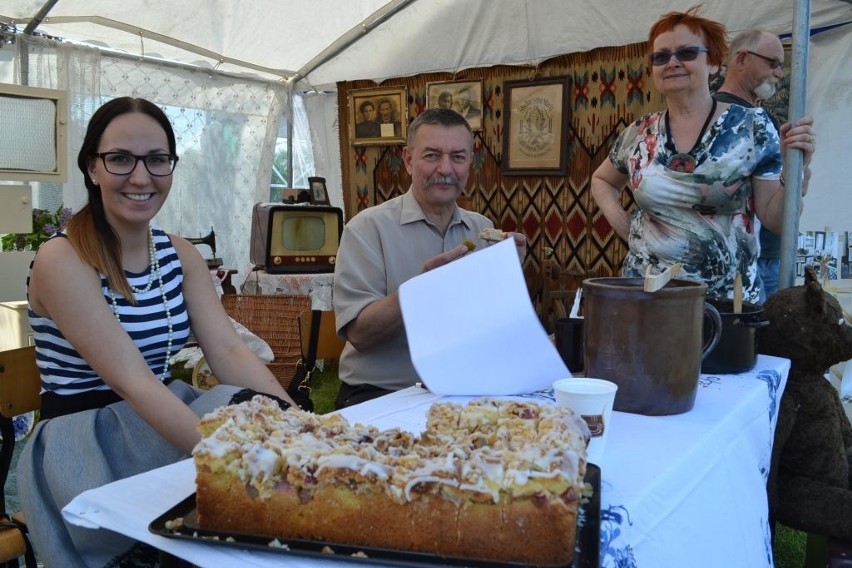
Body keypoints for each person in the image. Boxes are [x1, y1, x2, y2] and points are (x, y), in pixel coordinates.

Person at [18, 97, 295, 567]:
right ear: (92, 168)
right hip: (85, 443)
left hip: (156, 420)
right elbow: (132, 379)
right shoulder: (62, 259)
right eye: (121, 159)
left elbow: (227, 349)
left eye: (157, 159)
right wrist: (227, 459)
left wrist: (301, 426)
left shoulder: (180, 254)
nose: (142, 176)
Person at [590, 6, 807, 304]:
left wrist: (798, 174)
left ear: (714, 63)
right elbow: (602, 179)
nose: (673, 63)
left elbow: (775, 220)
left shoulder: (752, 127)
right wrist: (627, 228)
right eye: (661, 56)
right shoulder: (640, 133)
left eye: (687, 53)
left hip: (726, 305)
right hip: (647, 298)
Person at [332, 108, 527, 408]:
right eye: (432, 156)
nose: (446, 168)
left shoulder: (483, 230)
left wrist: (511, 276)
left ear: (469, 163)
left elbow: (494, 326)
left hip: (465, 392)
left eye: (458, 157)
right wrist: (418, 292)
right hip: (383, 394)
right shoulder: (366, 230)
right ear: (409, 161)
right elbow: (360, 334)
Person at [714, 29, 815, 302]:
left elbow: (781, 203)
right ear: (742, 59)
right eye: (773, 63)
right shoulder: (724, 118)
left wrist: (797, 171)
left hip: (766, 254)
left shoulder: (758, 118)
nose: (779, 74)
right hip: (746, 262)